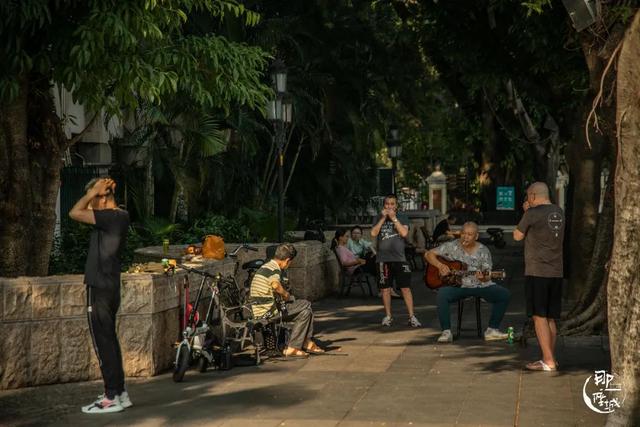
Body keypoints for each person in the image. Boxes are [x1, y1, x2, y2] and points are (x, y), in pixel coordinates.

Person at [69, 177, 131, 414]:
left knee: (103, 341)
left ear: (102, 197)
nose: (90, 204)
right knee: (109, 340)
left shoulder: (111, 217)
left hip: (101, 288)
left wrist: (92, 192)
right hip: (108, 286)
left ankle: (111, 396)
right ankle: (120, 392)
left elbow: (75, 212)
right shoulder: (118, 217)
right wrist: (95, 192)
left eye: (93, 198)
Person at [425, 222, 511, 343]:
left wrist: (483, 277)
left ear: (476, 236)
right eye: (463, 233)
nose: (465, 237)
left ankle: (492, 330)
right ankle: (446, 331)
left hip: (480, 286)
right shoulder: (451, 246)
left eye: (469, 234)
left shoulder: (483, 250)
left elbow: (486, 274)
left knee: (504, 294)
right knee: (442, 294)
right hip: (459, 286)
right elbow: (428, 254)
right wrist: (440, 265)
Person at [513, 182, 565, 371]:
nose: (527, 200)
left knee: (539, 316)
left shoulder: (532, 214)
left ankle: (548, 361)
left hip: (538, 272)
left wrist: (526, 213)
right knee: (550, 317)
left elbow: (517, 236)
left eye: (528, 196)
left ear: (533, 196)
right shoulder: (559, 212)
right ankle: (550, 357)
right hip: (556, 271)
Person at [250, 243, 324, 357]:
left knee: (305, 313)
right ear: (287, 260)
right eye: (290, 263)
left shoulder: (266, 266)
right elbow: (275, 285)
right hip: (268, 312)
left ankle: (293, 347)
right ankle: (306, 342)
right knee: (306, 304)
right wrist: (286, 295)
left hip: (262, 309)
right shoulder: (274, 269)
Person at [371, 194, 421, 327]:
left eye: (392, 204)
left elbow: (404, 233)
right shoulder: (378, 217)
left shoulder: (402, 216)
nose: (389, 206)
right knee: (385, 289)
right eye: (387, 204)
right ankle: (388, 316)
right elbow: (373, 233)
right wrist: (383, 218)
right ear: (384, 205)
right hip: (382, 259)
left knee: (405, 288)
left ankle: (412, 316)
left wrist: (393, 218)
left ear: (396, 205)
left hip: (399, 258)